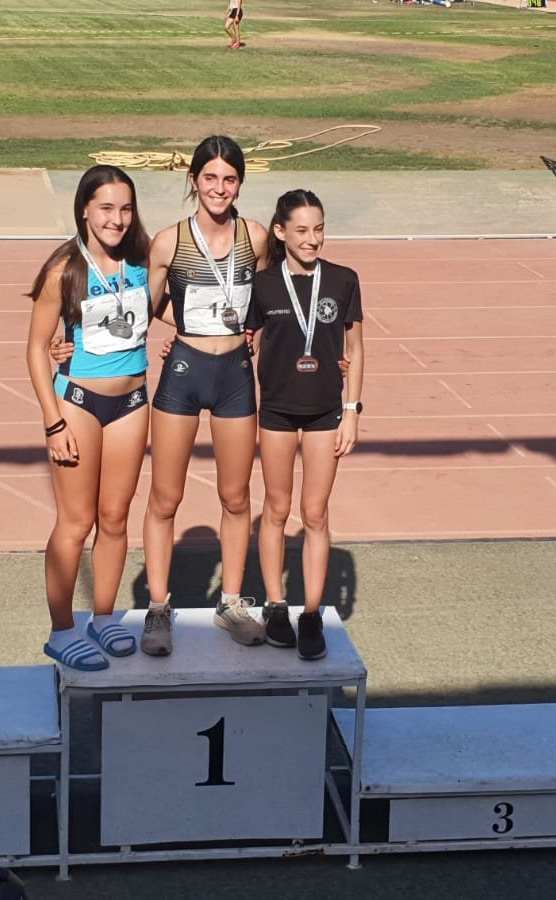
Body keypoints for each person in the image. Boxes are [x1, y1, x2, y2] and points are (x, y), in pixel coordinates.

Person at [144, 135, 271, 653]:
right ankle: (158, 608)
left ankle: (232, 601)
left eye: (230, 179)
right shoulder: (168, 242)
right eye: (211, 177)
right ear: (193, 179)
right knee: (165, 497)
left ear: (240, 183)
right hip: (184, 370)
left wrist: (253, 335)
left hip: (235, 377)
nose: (220, 188)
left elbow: (265, 300)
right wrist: (187, 323)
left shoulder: (256, 236)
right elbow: (146, 305)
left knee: (237, 496)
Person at [25, 165, 154, 671]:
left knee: (116, 518)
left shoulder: (143, 261)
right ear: (83, 209)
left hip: (131, 403)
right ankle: (61, 629)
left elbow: (170, 310)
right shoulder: (64, 269)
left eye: (125, 209)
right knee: (76, 523)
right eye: (106, 208)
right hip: (77, 403)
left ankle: (103, 617)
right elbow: (37, 349)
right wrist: (53, 421)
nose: (116, 219)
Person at [246, 190, 364, 662]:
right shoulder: (262, 285)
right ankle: (277, 606)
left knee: (315, 512)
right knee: (275, 508)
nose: (312, 239)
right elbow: (242, 339)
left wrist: (353, 409)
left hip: (324, 411)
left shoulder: (343, 280)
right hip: (275, 408)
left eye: (318, 229)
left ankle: (311, 612)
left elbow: (355, 349)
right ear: (280, 231)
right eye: (301, 230)